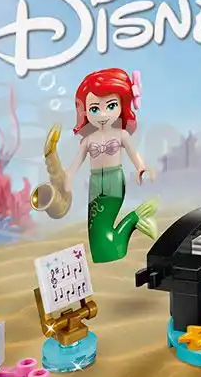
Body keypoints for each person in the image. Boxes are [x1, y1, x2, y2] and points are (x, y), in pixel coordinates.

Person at [62, 67, 157, 263]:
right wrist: (68, 176)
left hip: (114, 179)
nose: (103, 114)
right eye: (95, 109)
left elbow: (134, 154)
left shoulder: (121, 135)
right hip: (96, 181)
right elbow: (76, 162)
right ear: (85, 111)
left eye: (111, 106)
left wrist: (141, 167)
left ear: (122, 104)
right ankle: (132, 222)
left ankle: (134, 219)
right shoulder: (88, 140)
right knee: (95, 227)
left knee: (102, 222)